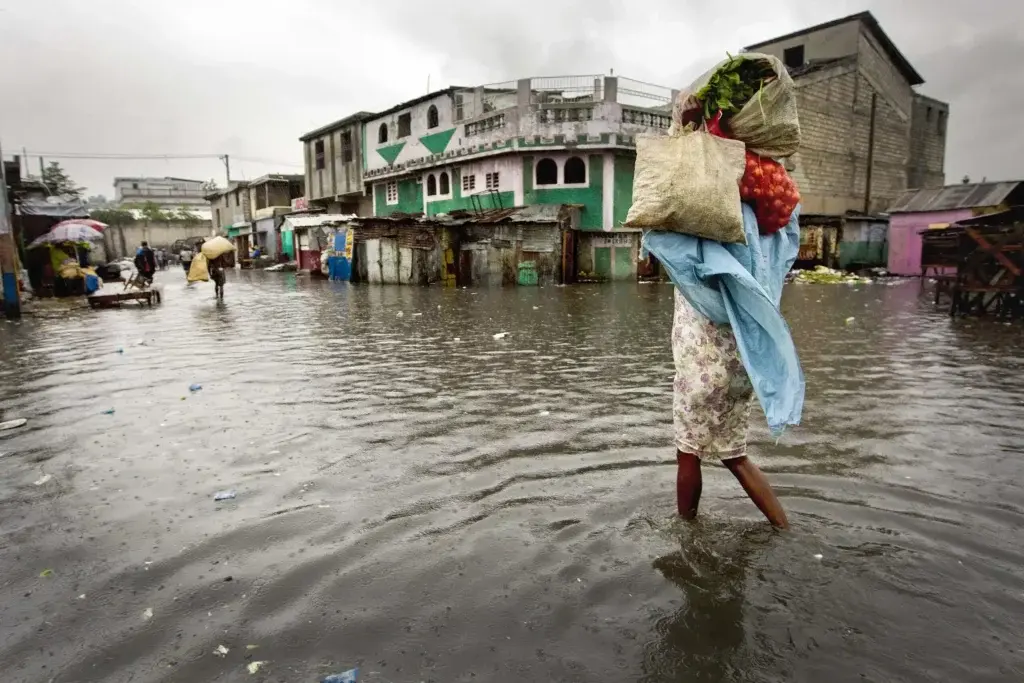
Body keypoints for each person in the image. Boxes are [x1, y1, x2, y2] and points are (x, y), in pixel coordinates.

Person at [671, 291, 789, 529]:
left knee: (688, 453)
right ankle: (783, 528)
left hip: (702, 366)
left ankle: (685, 531)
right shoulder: (749, 259)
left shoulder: (697, 255)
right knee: (736, 456)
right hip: (736, 363)